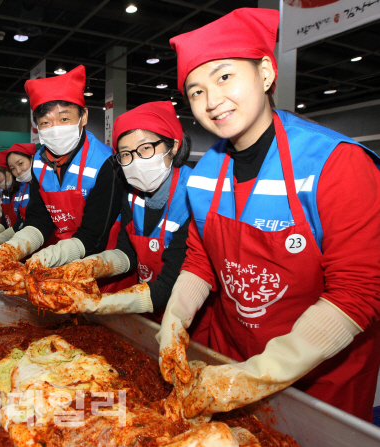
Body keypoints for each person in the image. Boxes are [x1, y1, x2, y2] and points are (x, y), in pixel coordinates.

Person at [157, 8, 380, 422]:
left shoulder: (335, 163)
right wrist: (175, 318)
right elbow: (201, 260)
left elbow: (359, 292)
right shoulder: (205, 172)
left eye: (224, 77)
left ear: (264, 73)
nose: (212, 101)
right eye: (196, 91)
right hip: (231, 355)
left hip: (320, 377)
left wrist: (257, 376)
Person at [32, 102, 201, 317]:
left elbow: (172, 283)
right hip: (148, 306)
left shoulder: (195, 197)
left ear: (173, 146)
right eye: (126, 154)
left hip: (188, 314)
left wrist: (97, 303)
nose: (136, 161)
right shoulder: (132, 194)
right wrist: (91, 265)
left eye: (146, 148)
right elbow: (127, 253)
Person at [0, 65, 123, 275]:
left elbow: (95, 234)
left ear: (83, 117)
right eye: (45, 122)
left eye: (64, 119)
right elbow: (39, 218)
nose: (55, 128)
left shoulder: (105, 163)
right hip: (59, 258)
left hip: (101, 265)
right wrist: (14, 248)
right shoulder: (38, 161)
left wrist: (50, 257)